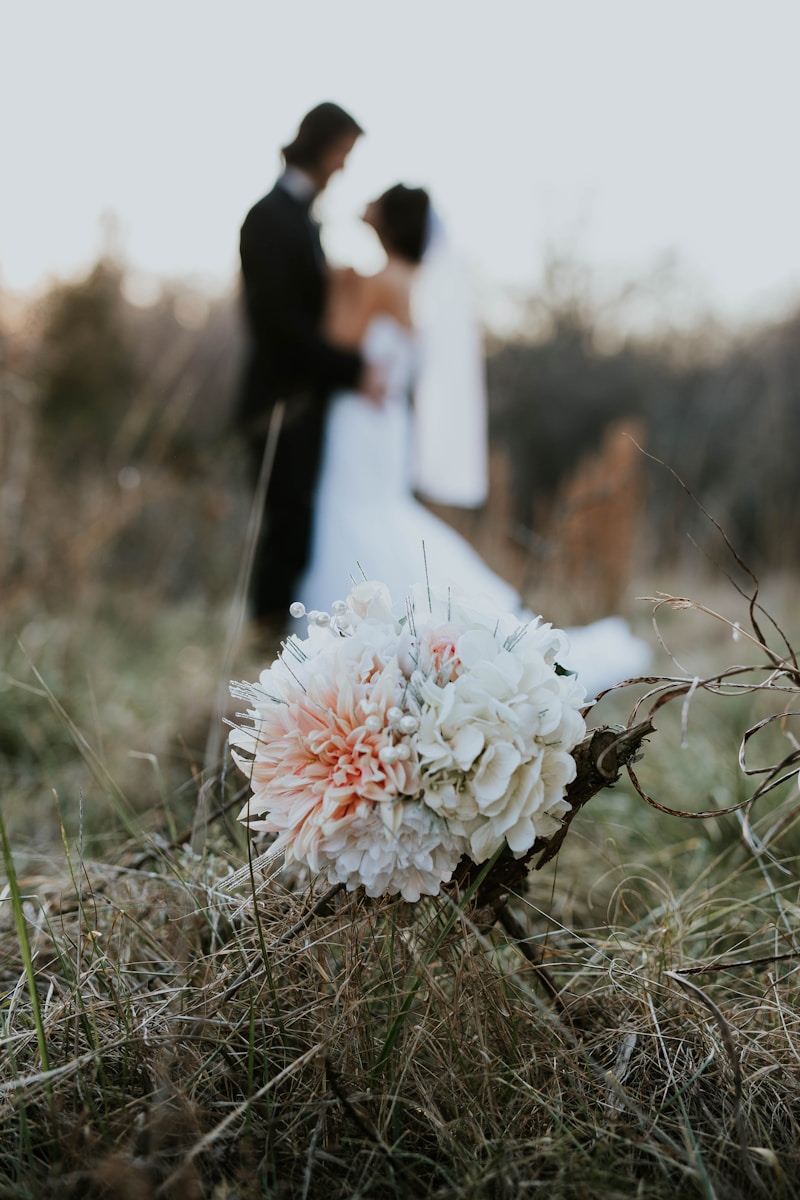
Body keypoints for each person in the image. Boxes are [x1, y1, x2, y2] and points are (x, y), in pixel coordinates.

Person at [295, 183, 651, 698]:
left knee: (354, 509)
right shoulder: (410, 280)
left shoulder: (380, 280)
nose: (365, 204)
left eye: (376, 202)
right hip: (381, 419)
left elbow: (339, 342)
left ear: (389, 222)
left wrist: (340, 285)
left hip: (359, 417)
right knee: (369, 510)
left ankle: (356, 635)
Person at [236, 102, 382, 636]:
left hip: (307, 403)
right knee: (284, 528)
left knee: (298, 528)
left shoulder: (301, 219)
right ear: (320, 147)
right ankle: (263, 641)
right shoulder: (268, 218)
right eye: (343, 152)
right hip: (279, 404)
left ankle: (276, 641)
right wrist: (351, 368)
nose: (343, 167)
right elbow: (277, 324)